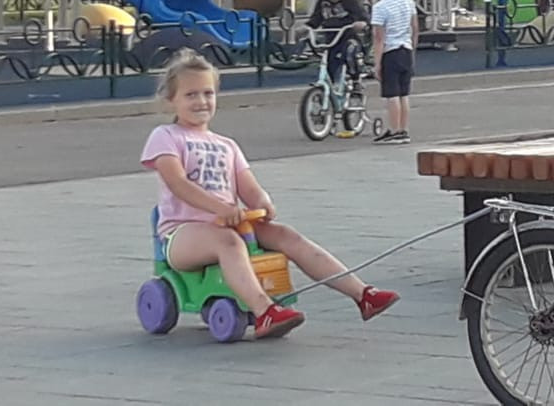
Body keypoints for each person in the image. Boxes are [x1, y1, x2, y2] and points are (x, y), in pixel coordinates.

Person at [140, 49, 400, 339]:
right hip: (183, 233)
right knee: (228, 242)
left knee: (286, 235)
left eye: (208, 93)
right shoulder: (166, 136)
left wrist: (262, 202)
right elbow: (178, 183)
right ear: (171, 100)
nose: (201, 101)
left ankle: (362, 294)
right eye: (191, 95)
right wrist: (219, 208)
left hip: (231, 223)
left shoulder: (226, 145)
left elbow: (247, 185)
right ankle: (264, 310)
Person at [369, 0, 417, 145]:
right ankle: (403, 129)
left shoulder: (380, 7)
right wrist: (412, 50)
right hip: (406, 50)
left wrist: (377, 63)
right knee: (404, 94)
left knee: (392, 94)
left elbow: (378, 37)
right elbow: (415, 28)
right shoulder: (408, 1)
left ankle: (395, 130)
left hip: (391, 52)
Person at [305, 0, 368, 90]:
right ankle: (329, 83)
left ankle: (356, 79)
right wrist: (308, 26)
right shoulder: (323, 2)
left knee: (350, 52)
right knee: (328, 60)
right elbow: (316, 18)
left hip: (347, 36)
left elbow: (362, 14)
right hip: (331, 38)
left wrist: (362, 22)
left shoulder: (350, 0)